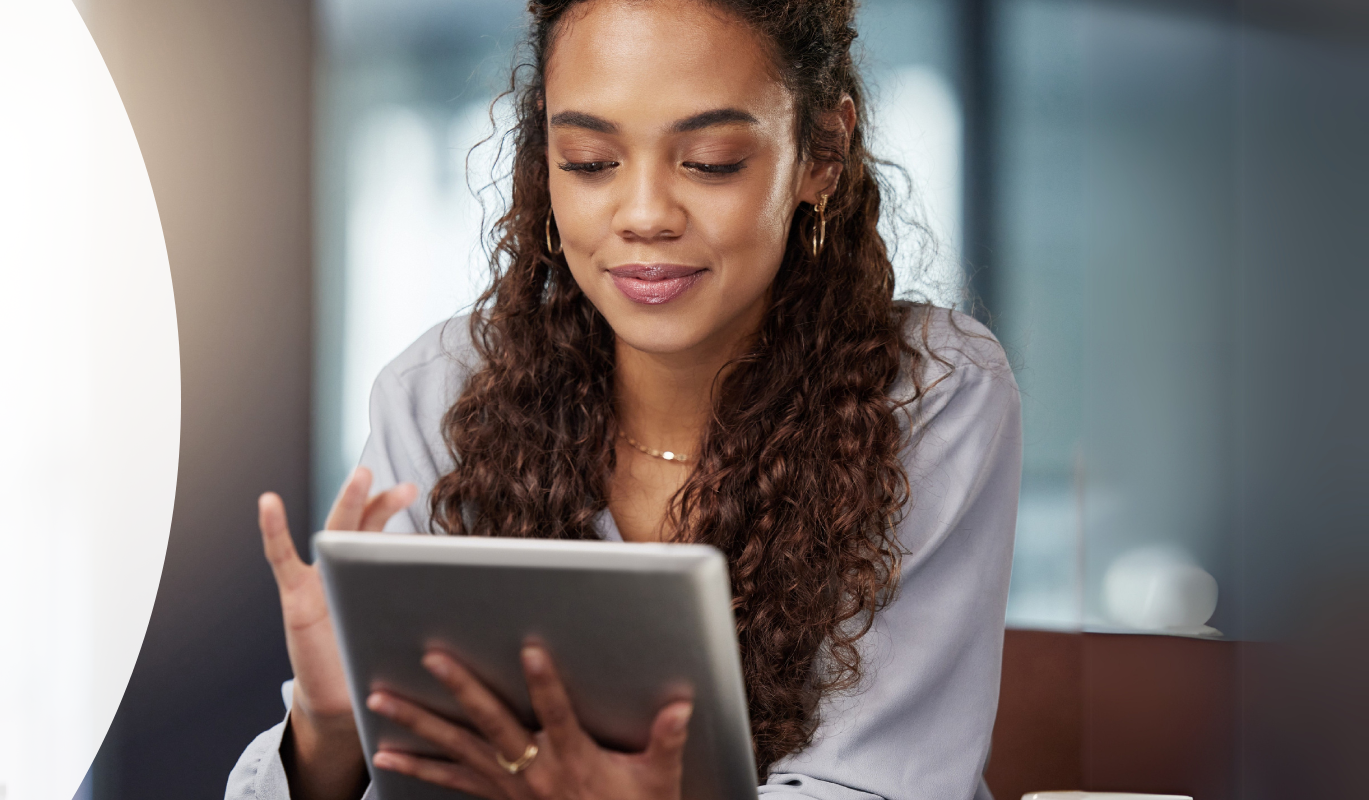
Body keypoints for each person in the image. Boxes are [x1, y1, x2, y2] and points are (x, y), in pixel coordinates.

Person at [224, 0, 1022, 798]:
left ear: (822, 153)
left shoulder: (929, 394)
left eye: (709, 162)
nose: (644, 216)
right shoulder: (439, 392)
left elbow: (880, 784)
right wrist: (329, 729)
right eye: (589, 160)